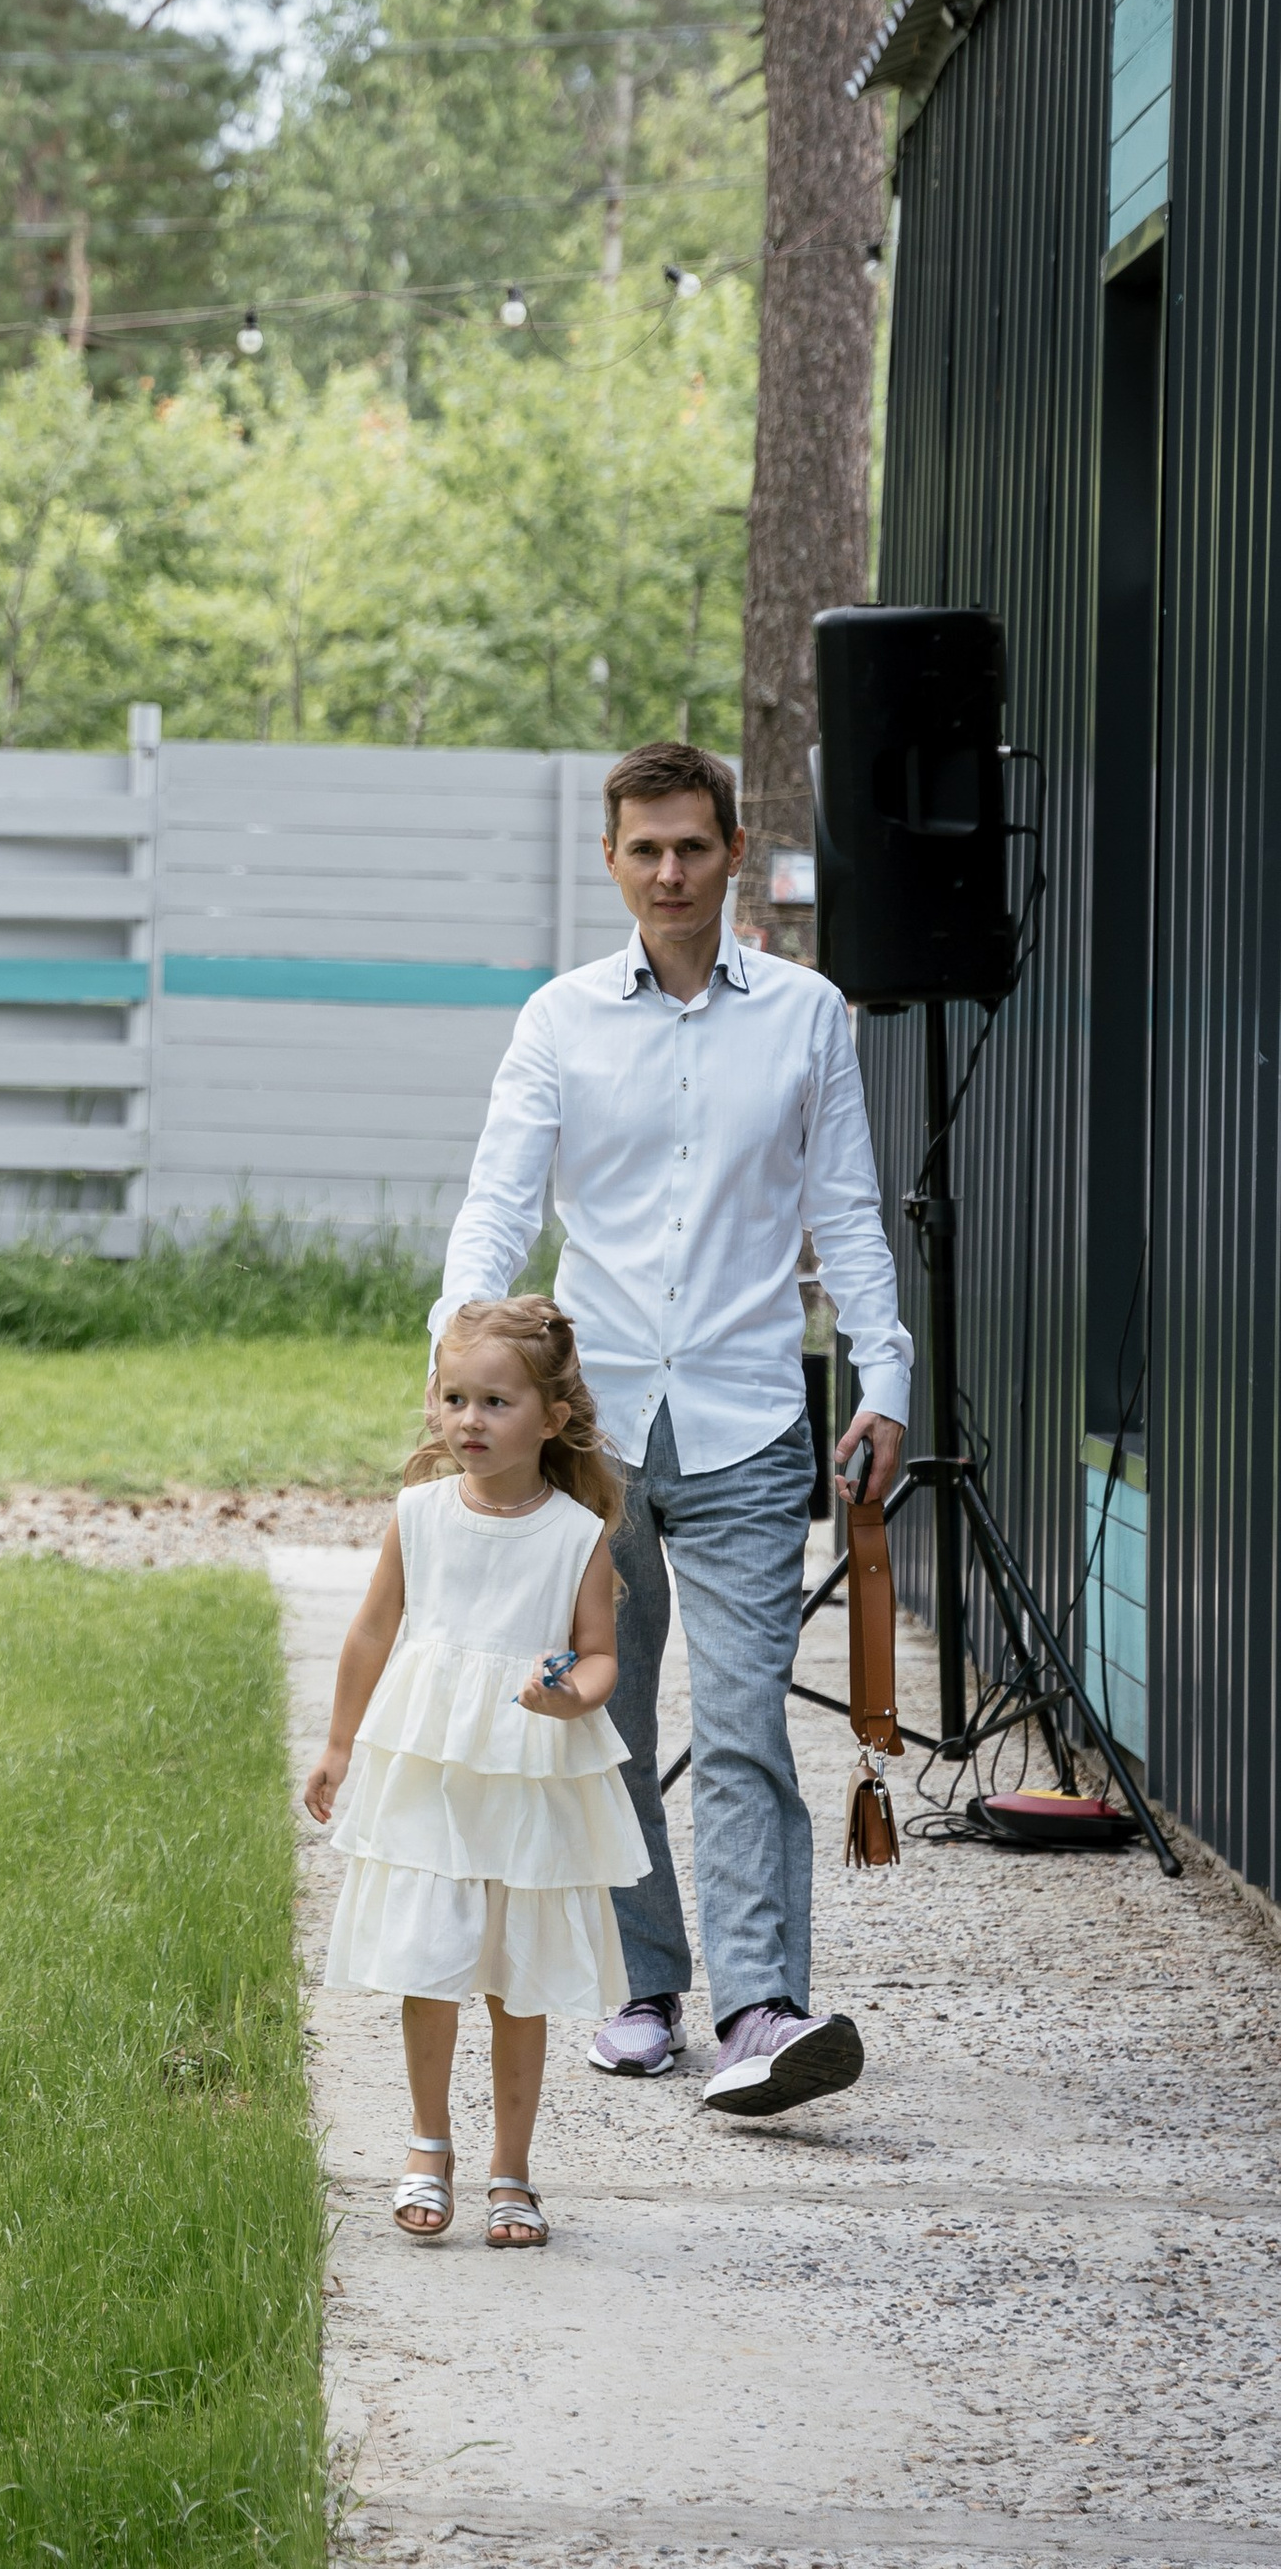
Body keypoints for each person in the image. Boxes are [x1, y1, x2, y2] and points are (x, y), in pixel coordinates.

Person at [431, 741, 912, 2121]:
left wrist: (883, 1373)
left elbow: (846, 1217)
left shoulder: (809, 1015)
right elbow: (497, 1203)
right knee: (611, 1721)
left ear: (734, 850)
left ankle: (762, 2007)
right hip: (594, 1441)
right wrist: (461, 1361)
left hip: (756, 1422)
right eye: (644, 850)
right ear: (612, 861)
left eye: (693, 846)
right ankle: (644, 1989)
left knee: (751, 1718)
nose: (670, 872)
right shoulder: (560, 1020)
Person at [303, 1295, 647, 2249]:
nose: (469, 1421)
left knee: (517, 1975)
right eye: (454, 1398)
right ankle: (426, 2144)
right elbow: (373, 1630)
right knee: (430, 1957)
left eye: (496, 1402)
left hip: (529, 1772)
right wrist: (340, 1743)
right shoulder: (419, 1515)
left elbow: (599, 1654)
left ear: (554, 1417)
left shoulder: (576, 1534)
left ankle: (512, 2167)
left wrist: (573, 1697)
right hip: (434, 1774)